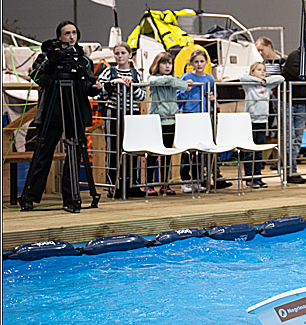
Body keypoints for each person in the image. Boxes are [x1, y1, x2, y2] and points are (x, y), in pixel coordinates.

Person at [19, 20, 100, 213]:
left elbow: (87, 85)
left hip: (75, 110)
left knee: (74, 154)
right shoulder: (47, 56)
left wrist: (94, 87)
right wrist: (52, 61)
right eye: (67, 33)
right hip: (51, 112)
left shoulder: (83, 59)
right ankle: (30, 197)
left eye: (74, 33)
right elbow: (37, 76)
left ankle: (71, 198)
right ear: (59, 37)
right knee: (43, 153)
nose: (71, 37)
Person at [96, 42, 146, 196]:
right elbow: (100, 89)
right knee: (114, 148)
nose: (120, 56)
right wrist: (113, 83)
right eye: (117, 53)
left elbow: (142, 97)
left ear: (130, 55)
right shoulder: (108, 72)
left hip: (133, 113)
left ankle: (132, 184)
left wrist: (133, 86)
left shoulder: (136, 74)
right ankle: (114, 185)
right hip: (114, 112)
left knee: (133, 148)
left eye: (123, 53)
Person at [146, 51, 190, 195]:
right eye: (164, 63)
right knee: (153, 154)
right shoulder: (153, 78)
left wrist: (174, 81)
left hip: (171, 120)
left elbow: (183, 86)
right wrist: (173, 81)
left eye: (169, 63)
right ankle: (149, 184)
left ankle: (165, 184)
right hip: (156, 120)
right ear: (157, 65)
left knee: (167, 154)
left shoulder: (173, 79)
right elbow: (154, 81)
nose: (167, 66)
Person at [177, 49, 216, 192]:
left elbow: (213, 96)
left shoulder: (210, 79)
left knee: (201, 151)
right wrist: (186, 89)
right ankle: (185, 181)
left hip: (203, 117)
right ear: (191, 63)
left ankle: (198, 179)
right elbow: (179, 97)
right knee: (187, 150)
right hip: (189, 115)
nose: (199, 64)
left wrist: (212, 99)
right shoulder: (186, 77)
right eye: (196, 61)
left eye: (202, 61)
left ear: (206, 62)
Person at [240, 61, 284, 187]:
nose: (262, 72)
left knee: (259, 150)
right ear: (252, 72)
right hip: (250, 120)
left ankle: (258, 176)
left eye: (264, 70)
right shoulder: (249, 85)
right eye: (259, 70)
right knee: (249, 150)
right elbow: (243, 77)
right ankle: (249, 177)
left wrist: (265, 81)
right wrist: (257, 80)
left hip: (262, 121)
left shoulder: (267, 85)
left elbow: (280, 78)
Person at [281, 47, 306, 184]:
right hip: (288, 101)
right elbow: (303, 74)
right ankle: (290, 170)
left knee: (297, 138)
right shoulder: (295, 56)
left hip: (301, 102)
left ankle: (291, 169)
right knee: (290, 137)